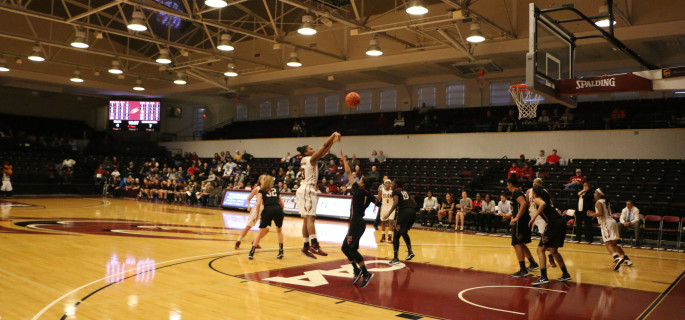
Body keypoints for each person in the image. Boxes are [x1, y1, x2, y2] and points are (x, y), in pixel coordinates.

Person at [295, 132, 341, 259]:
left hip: (303, 189)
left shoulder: (305, 160)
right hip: (308, 190)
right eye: (310, 149)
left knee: (306, 219)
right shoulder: (311, 159)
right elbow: (323, 146)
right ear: (306, 152)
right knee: (310, 219)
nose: (313, 150)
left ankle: (305, 246)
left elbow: (324, 150)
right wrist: (333, 135)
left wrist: (333, 142)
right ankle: (314, 245)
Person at [340, 151, 376, 288]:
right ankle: (356, 269)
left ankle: (366, 273)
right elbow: (378, 203)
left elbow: (349, 173)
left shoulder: (358, 191)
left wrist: (344, 160)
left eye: (360, 180)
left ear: (362, 184)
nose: (358, 180)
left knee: (351, 249)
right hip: (359, 222)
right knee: (345, 247)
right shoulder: (369, 194)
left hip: (356, 222)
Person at [528, 185, 572, 286]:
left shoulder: (538, 200)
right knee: (553, 250)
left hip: (554, 224)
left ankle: (543, 277)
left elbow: (542, 204)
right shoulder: (547, 199)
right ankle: (565, 274)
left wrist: (533, 218)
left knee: (540, 249)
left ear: (535, 193)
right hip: (561, 223)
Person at [587, 188, 633, 270]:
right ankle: (626, 260)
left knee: (607, 243)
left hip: (606, 223)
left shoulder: (598, 202)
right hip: (612, 222)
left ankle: (617, 258)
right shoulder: (605, 201)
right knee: (614, 244)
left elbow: (600, 214)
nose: (594, 194)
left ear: (600, 194)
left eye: (595, 192)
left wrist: (591, 214)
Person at [501, 177, 539, 277]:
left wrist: (516, 217)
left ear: (510, 184)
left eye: (507, 184)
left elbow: (524, 204)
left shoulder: (516, 192)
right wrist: (510, 215)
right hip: (522, 220)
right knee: (521, 243)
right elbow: (519, 207)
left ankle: (523, 270)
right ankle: (533, 263)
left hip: (520, 222)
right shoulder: (519, 192)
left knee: (516, 244)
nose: (507, 186)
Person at [248, 175, 285, 260]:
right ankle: (281, 251)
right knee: (279, 231)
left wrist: (257, 214)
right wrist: (280, 212)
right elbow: (282, 204)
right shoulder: (276, 189)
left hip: (268, 210)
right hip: (278, 209)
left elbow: (258, 203)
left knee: (261, 232)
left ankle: (251, 253)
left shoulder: (261, 190)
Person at [526, 178, 557, 268]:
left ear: (540, 184)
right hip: (532, 213)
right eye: (534, 182)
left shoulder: (543, 191)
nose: (535, 183)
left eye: (537, 182)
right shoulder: (529, 191)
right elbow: (527, 203)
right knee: (543, 236)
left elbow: (547, 203)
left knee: (544, 236)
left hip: (541, 214)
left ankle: (551, 257)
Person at [388, 179, 416, 265]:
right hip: (412, 213)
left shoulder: (395, 192)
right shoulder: (406, 191)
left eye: (392, 184)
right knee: (403, 232)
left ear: (396, 185)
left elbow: (396, 202)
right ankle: (410, 252)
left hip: (403, 213)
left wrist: (389, 213)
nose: (391, 185)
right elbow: (414, 203)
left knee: (396, 235)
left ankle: (396, 257)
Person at [235, 175, 266, 250]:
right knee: (248, 226)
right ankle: (238, 241)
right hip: (257, 208)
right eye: (263, 179)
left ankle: (255, 242)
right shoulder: (257, 189)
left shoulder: (269, 189)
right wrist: (249, 206)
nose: (265, 180)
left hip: (266, 209)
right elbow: (248, 199)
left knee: (265, 229)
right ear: (260, 180)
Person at [377, 179, 394, 243]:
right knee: (383, 222)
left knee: (391, 221)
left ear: (390, 184)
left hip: (391, 207)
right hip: (384, 207)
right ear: (384, 184)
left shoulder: (392, 190)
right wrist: (375, 206)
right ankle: (383, 235)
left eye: (389, 183)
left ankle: (390, 236)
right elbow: (378, 198)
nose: (388, 184)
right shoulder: (382, 190)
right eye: (386, 183)